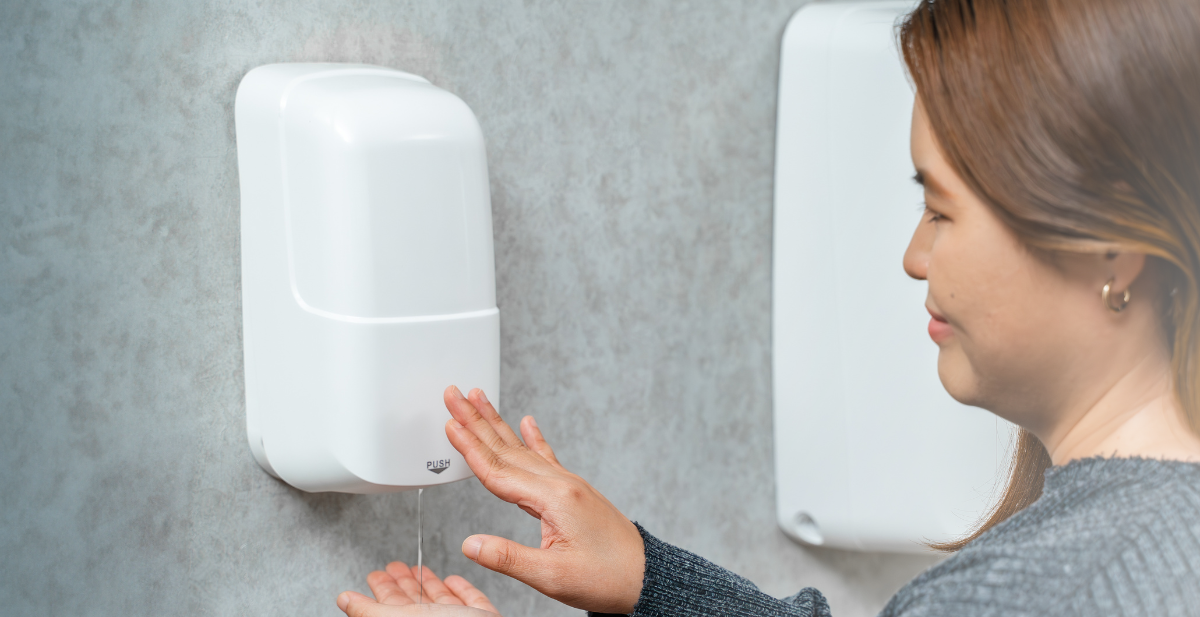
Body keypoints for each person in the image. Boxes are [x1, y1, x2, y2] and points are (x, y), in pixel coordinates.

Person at [336, 0, 1200, 614]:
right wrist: (652, 577)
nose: (913, 256)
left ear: (1111, 249)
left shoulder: (1040, 590)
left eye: (940, 209)